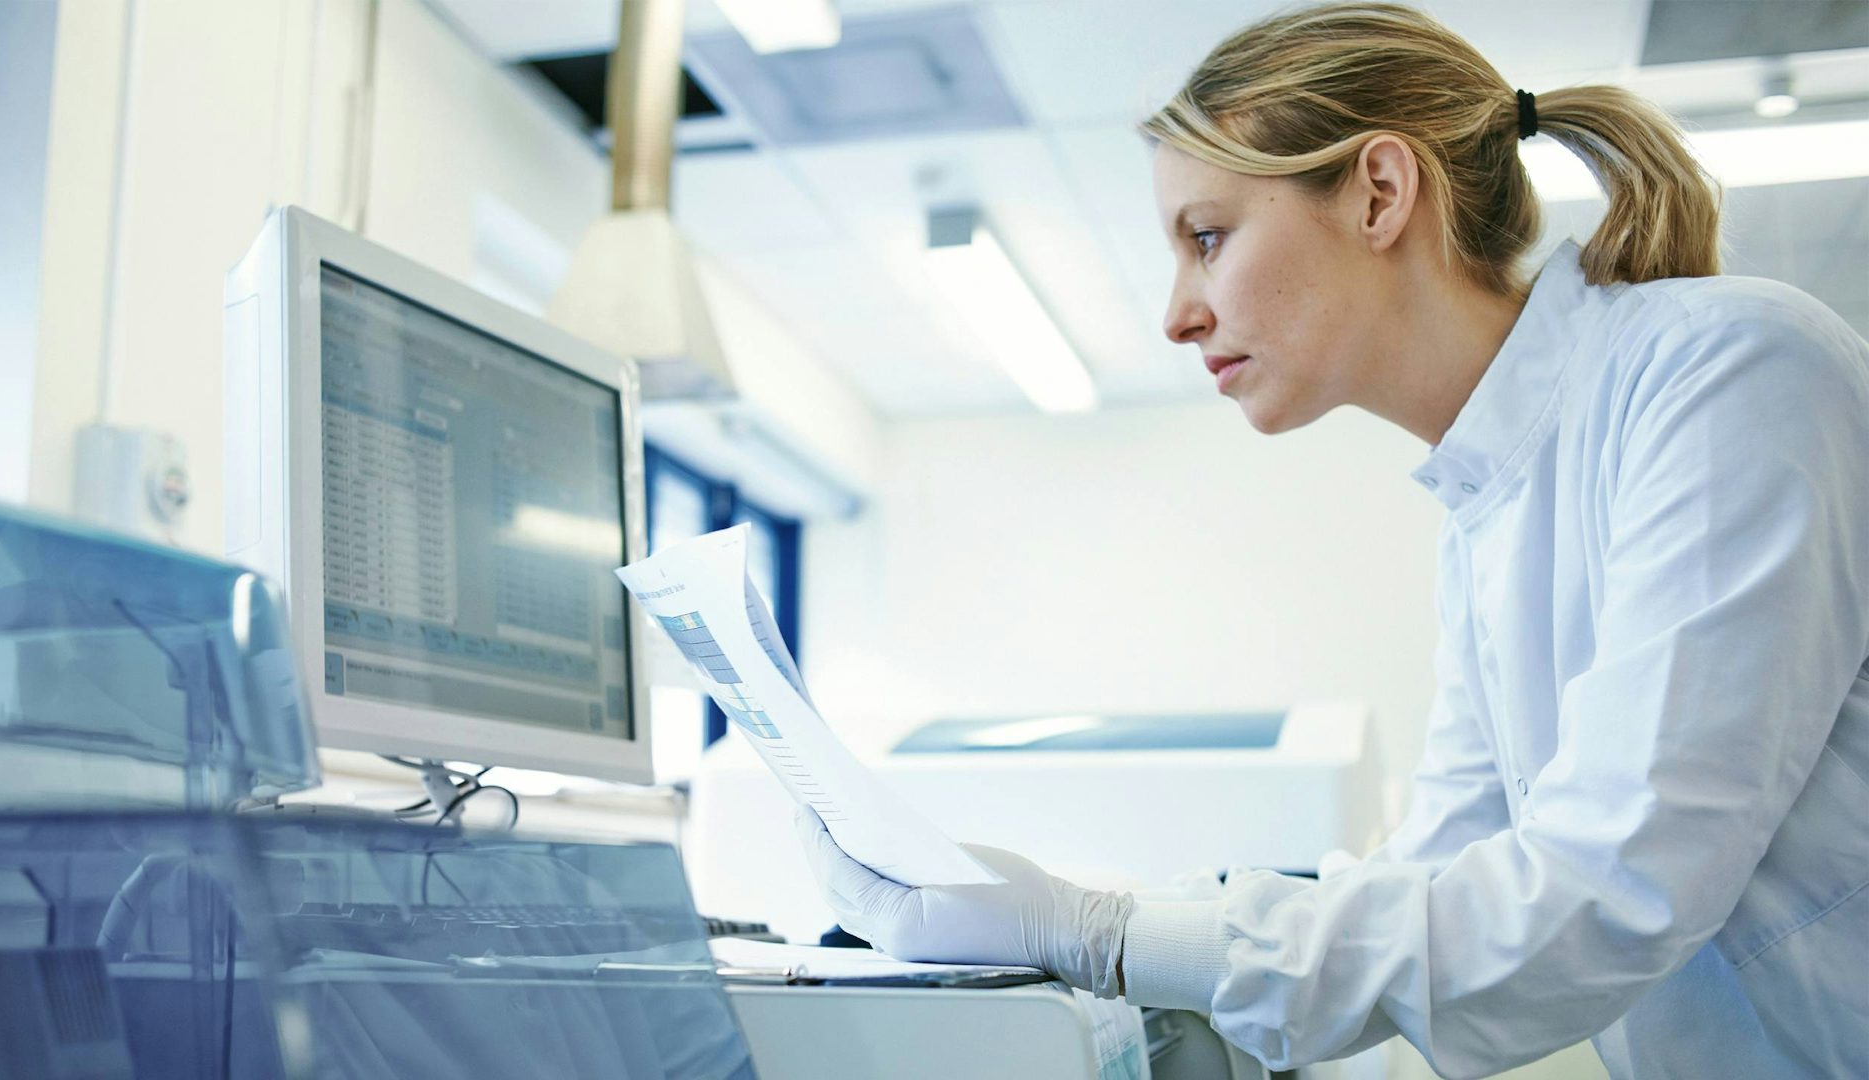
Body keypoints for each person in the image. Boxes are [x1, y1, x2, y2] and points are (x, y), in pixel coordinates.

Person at [793, 3, 1869, 1077]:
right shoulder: (1489, 510)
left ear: (1379, 194)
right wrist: (1087, 925)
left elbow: (1605, 895)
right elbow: (1438, 880)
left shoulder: (1732, 374)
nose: (1177, 314)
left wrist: (1100, 932)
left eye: (1206, 238)